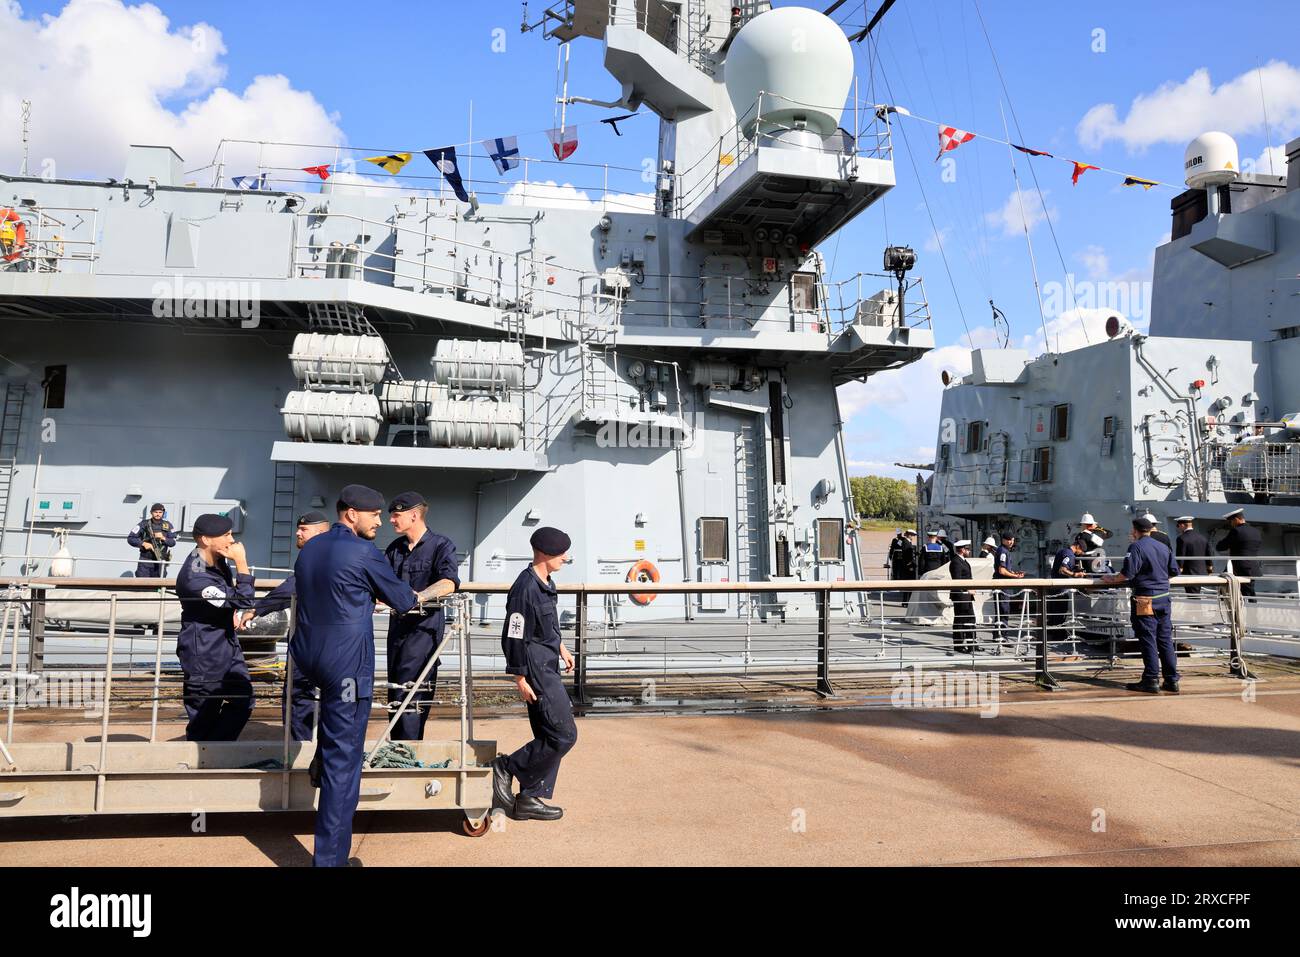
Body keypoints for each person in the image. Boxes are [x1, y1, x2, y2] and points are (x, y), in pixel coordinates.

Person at [291, 484, 437, 867]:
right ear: (352, 514)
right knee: (345, 761)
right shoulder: (363, 551)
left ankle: (320, 764)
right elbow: (404, 600)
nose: (379, 521)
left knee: (330, 739)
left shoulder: (311, 549)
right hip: (345, 667)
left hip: (307, 658)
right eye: (374, 515)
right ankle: (331, 861)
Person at [491, 527, 578, 822]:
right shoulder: (525, 588)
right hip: (535, 670)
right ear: (544, 553)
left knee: (547, 733)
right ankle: (505, 766)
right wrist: (519, 678)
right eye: (561, 553)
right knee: (563, 734)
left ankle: (529, 798)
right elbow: (513, 636)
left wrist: (562, 647)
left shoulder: (545, 581)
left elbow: (547, 625)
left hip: (548, 663)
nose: (565, 558)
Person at [236, 511, 331, 740]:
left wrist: (255, 610)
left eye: (304, 530)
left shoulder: (317, 555)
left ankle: (301, 746)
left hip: (313, 641)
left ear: (320, 533)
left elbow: (292, 587)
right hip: (318, 640)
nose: (297, 533)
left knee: (300, 696)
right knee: (307, 697)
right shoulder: (324, 553)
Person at [383, 492, 460, 741]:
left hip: (423, 632)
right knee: (396, 691)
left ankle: (408, 751)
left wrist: (418, 597)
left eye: (396, 515)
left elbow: (449, 583)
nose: (391, 520)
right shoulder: (394, 549)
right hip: (397, 632)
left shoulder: (441, 546)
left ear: (414, 515)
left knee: (413, 692)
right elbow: (380, 585)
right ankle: (398, 749)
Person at [174, 513, 256, 741]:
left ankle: (218, 752)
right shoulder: (195, 576)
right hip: (204, 650)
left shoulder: (216, 561)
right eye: (226, 535)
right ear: (205, 540)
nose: (232, 540)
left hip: (226, 644)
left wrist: (228, 612)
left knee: (244, 699)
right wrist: (241, 562)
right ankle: (201, 764)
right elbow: (242, 601)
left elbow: (228, 602)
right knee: (204, 712)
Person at [1104, 517, 1180, 693]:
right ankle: (1172, 680)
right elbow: (1174, 571)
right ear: (1151, 530)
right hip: (1164, 597)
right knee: (1165, 640)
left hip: (1145, 599)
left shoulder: (1136, 547)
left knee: (1148, 639)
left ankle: (1151, 679)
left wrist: (1111, 578)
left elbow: (1127, 574)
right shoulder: (1163, 546)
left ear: (1135, 530)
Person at [1047, 536, 1087, 643]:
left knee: (1055, 612)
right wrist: (1075, 574)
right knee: (1060, 612)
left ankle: (1053, 633)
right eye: (1081, 551)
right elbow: (1063, 569)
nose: (1080, 553)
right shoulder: (1069, 554)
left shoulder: (1063, 551)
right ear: (1077, 546)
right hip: (1061, 588)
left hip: (1055, 587)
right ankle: (1058, 636)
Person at [1216, 508, 1262, 598]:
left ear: (1236, 519)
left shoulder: (1236, 531)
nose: (1231, 524)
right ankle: (1249, 609)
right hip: (1253, 566)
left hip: (1238, 567)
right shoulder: (1256, 531)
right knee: (1249, 591)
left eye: (1231, 521)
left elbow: (1221, 547)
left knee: (1226, 587)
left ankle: (1248, 610)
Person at [992, 531, 1025, 649]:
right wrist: (1015, 576)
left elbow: (1005, 570)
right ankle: (1002, 637)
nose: (1011, 542)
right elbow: (1001, 570)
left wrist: (1013, 573)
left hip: (1003, 585)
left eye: (1013, 539)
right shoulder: (1003, 552)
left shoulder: (1004, 551)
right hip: (1002, 586)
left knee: (1001, 611)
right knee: (1003, 611)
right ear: (1003, 540)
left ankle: (998, 635)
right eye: (1009, 540)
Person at [127, 503, 176, 578]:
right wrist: (143, 544)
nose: (158, 514)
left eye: (160, 512)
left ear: (163, 513)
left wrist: (163, 538)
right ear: (151, 512)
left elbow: (173, 542)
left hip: (160, 561)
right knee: (142, 585)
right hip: (145, 561)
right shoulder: (143, 524)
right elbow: (130, 538)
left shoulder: (168, 525)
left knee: (159, 586)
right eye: (155, 512)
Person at [947, 539, 976, 655]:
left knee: (970, 620)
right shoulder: (956, 562)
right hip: (961, 595)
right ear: (962, 550)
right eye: (967, 549)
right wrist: (967, 589)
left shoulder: (962, 561)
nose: (969, 551)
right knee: (960, 620)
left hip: (966, 596)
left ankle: (972, 644)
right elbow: (957, 580)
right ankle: (959, 645)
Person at [1174, 516, 1211, 594]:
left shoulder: (1181, 538)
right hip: (1202, 572)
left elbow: (1181, 556)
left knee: (1192, 596)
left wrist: (1179, 570)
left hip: (1189, 573)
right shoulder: (1202, 537)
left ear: (1182, 525)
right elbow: (1208, 554)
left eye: (1178, 526)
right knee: (1197, 594)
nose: (1178, 528)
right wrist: (1209, 568)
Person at [891, 530, 917, 603]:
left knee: (910, 584)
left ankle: (907, 601)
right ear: (909, 535)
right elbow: (907, 555)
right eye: (912, 535)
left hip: (907, 563)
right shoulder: (904, 542)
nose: (913, 537)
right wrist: (910, 564)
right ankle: (906, 601)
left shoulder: (905, 541)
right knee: (909, 584)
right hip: (906, 564)